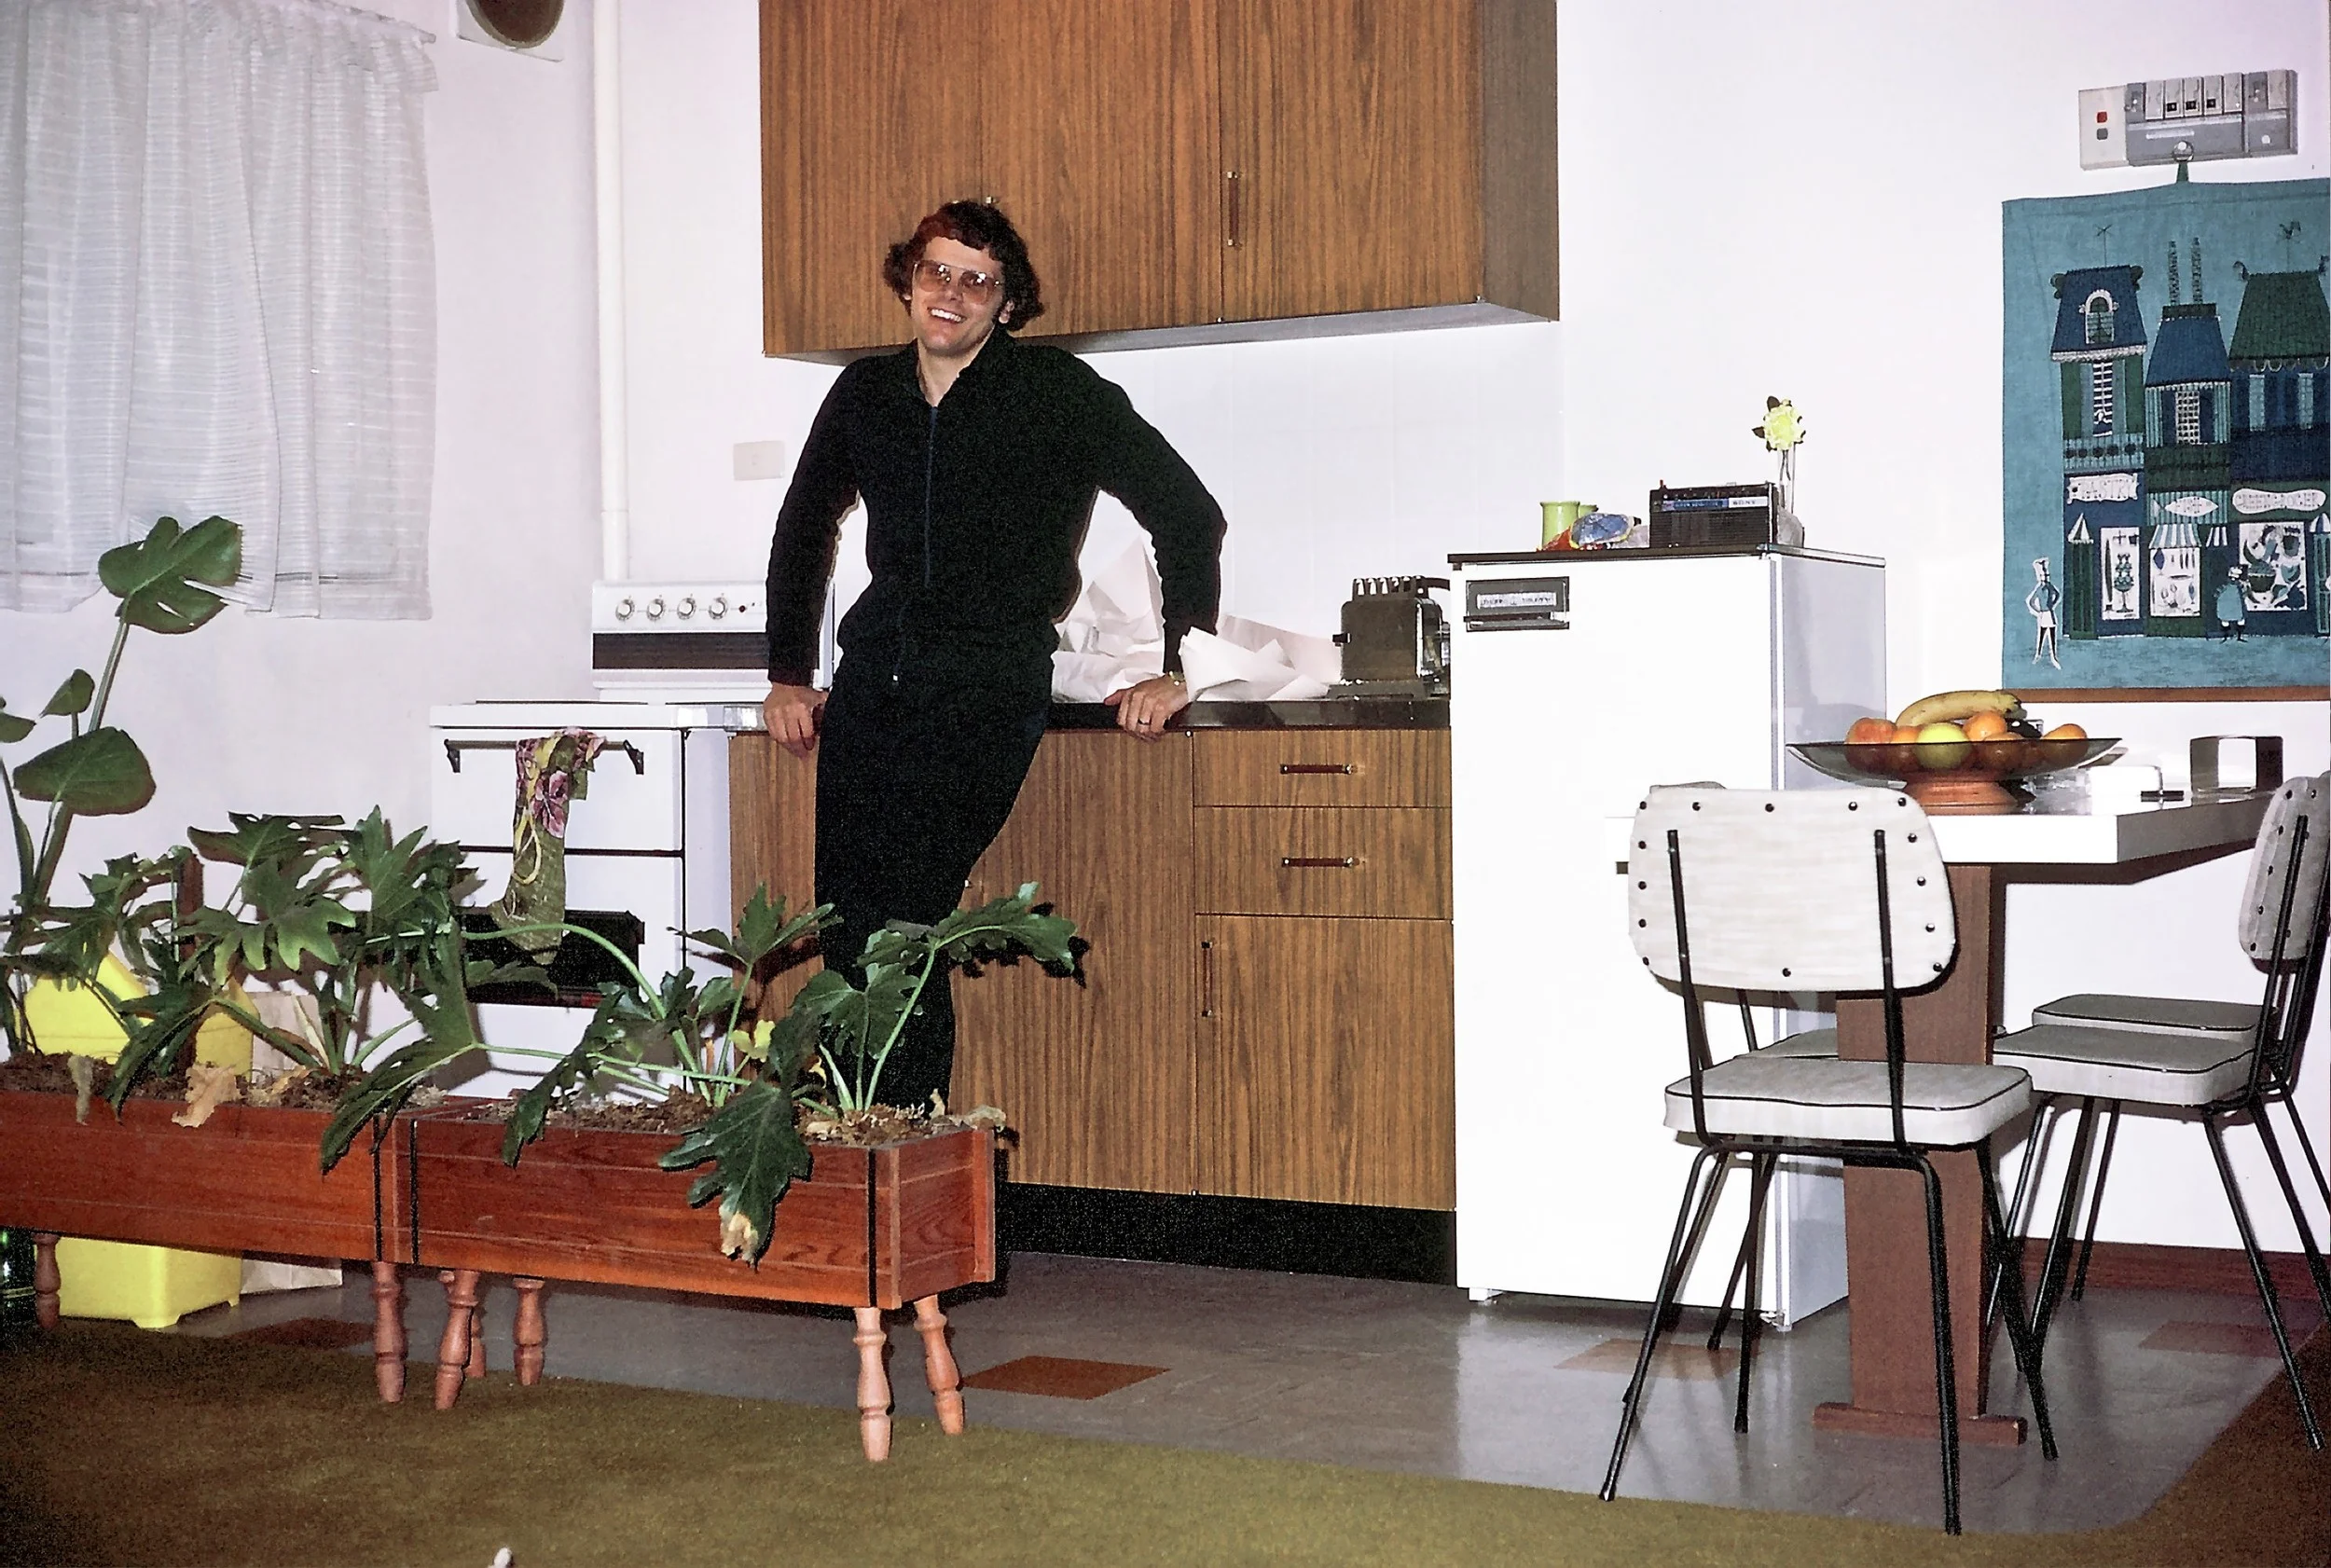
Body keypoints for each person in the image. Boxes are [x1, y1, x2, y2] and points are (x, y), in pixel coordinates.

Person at [762, 200, 1227, 1109]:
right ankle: (864, 1138)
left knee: (903, 923)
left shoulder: (1056, 392)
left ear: (1005, 305)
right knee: (849, 926)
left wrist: (1182, 666)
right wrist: (787, 673)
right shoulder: (865, 393)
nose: (952, 292)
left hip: (983, 686)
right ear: (909, 282)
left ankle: (897, 1137)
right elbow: (803, 524)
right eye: (936, 271)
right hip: (872, 685)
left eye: (977, 280)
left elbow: (1187, 514)